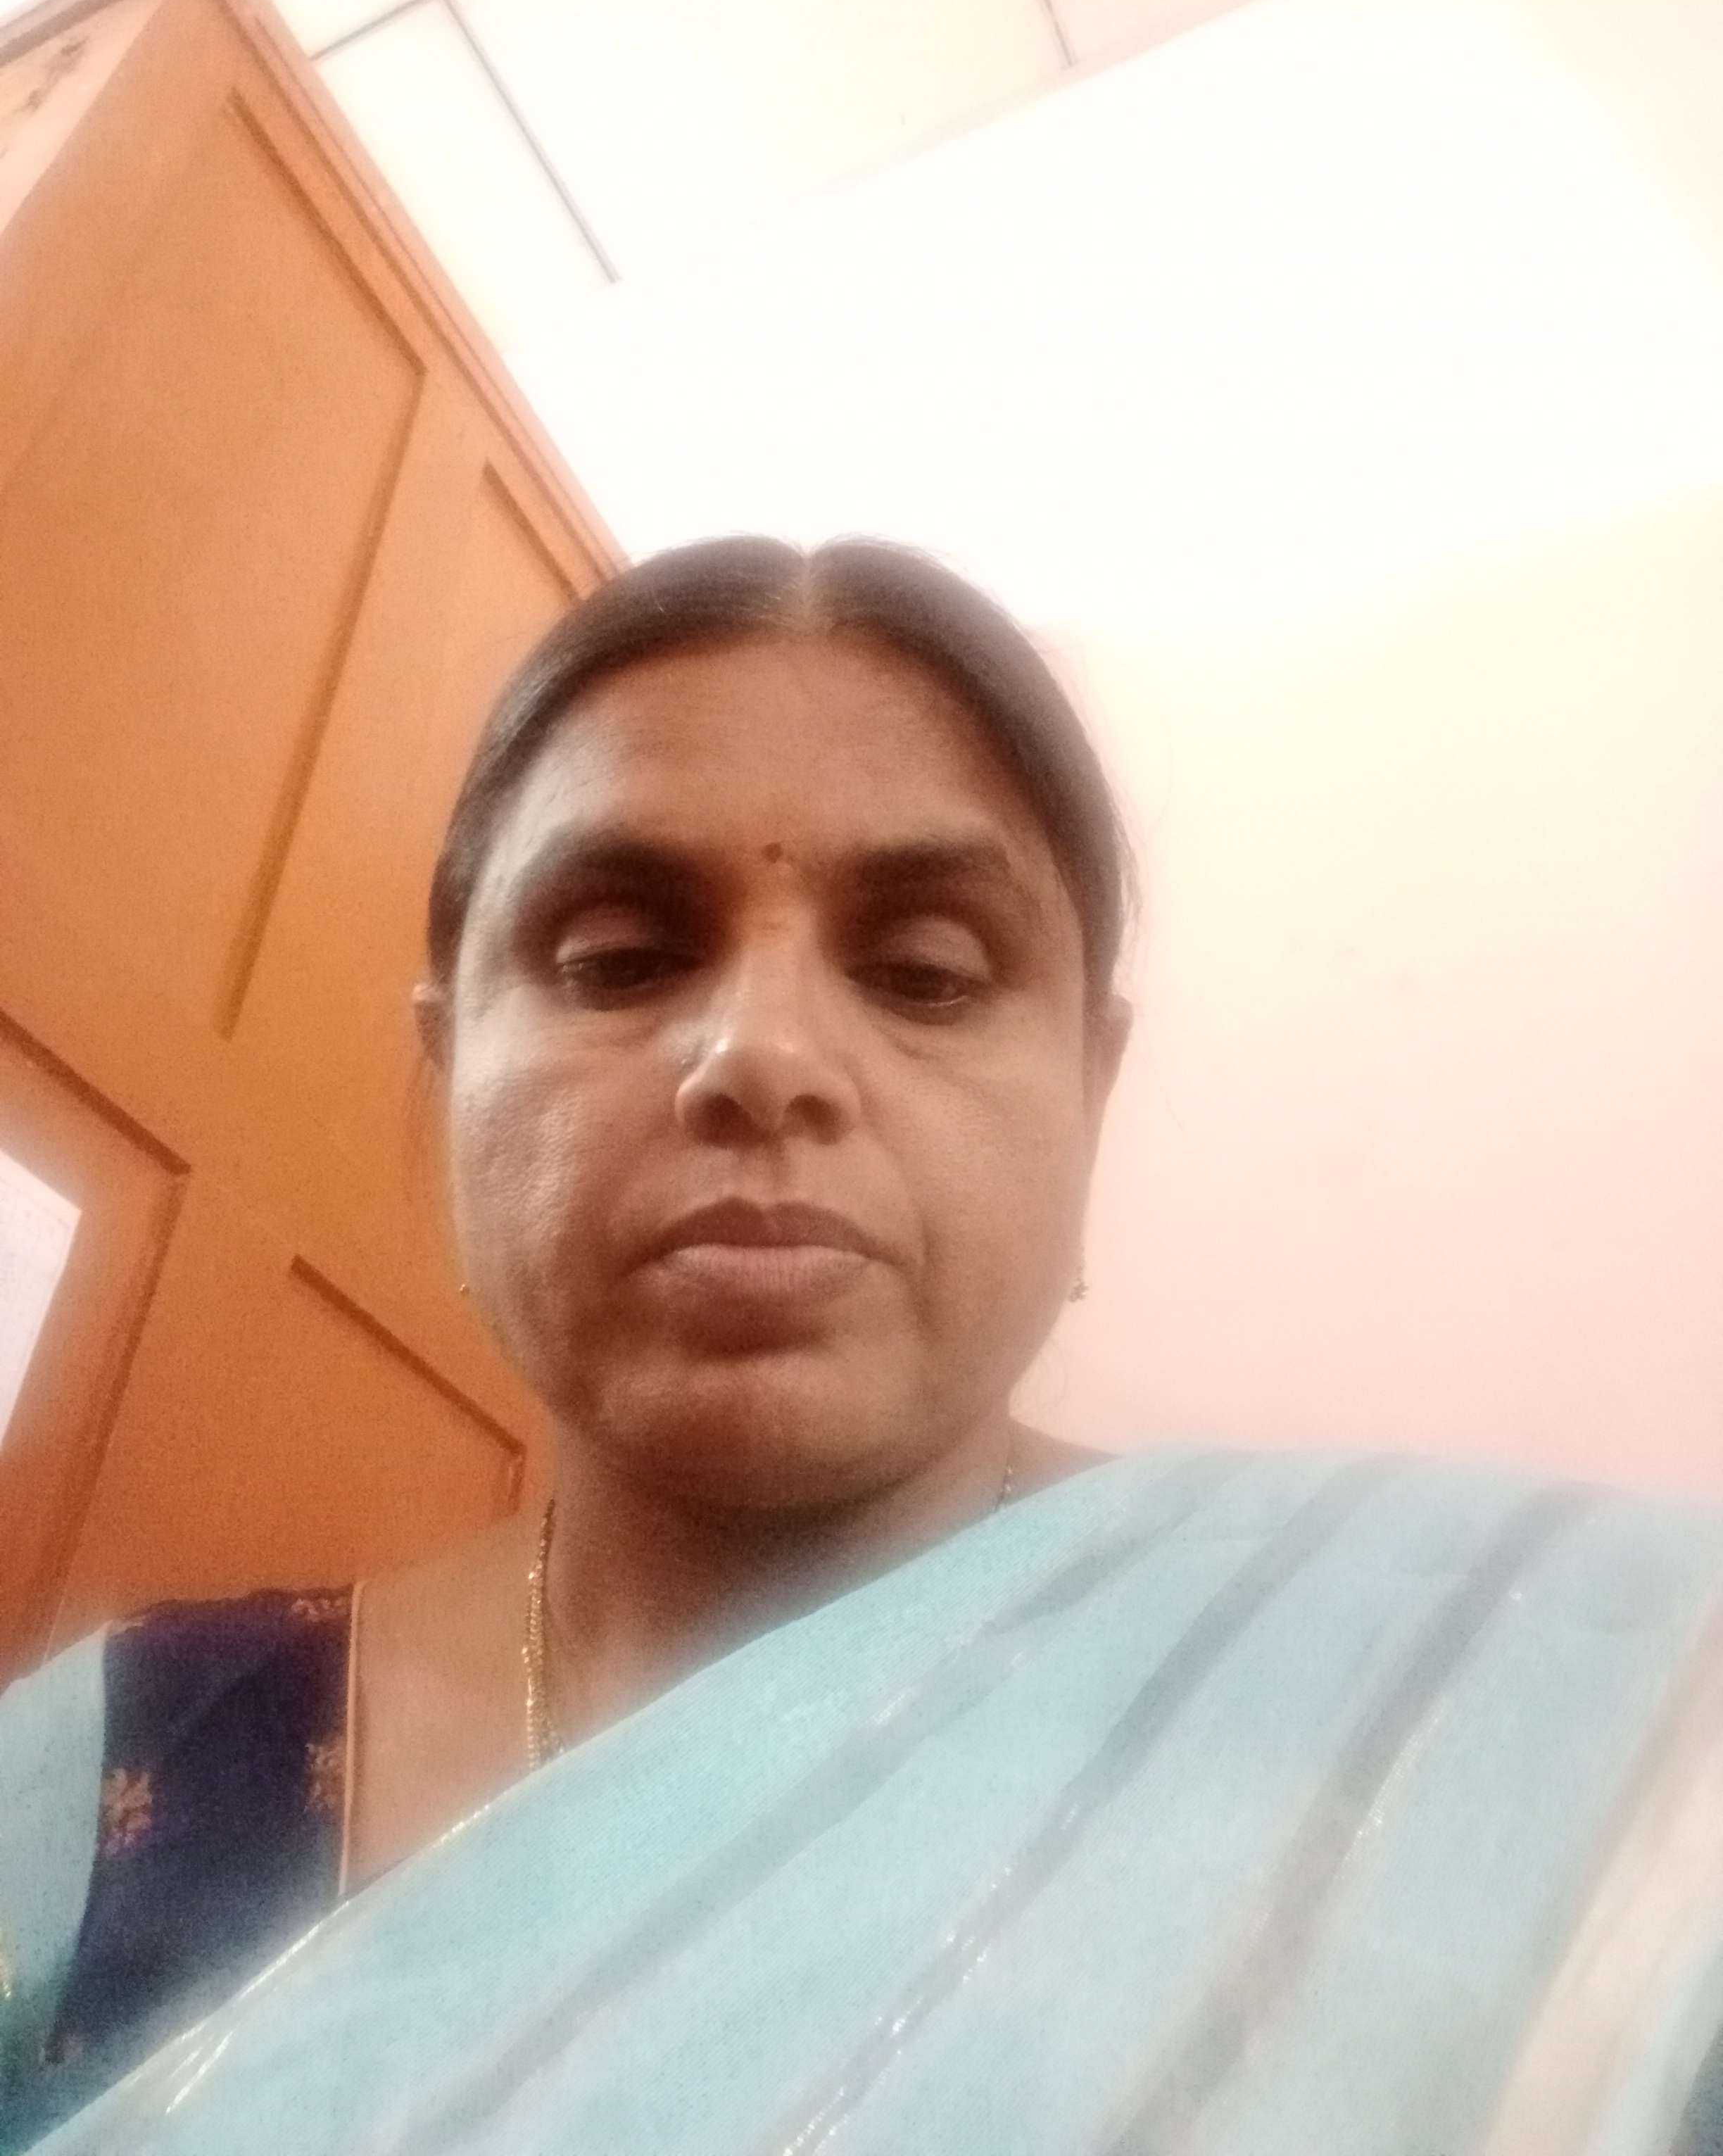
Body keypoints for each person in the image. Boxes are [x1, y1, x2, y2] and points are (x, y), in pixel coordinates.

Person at [4, 538, 1723, 2155]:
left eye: (925, 972)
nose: (761, 1055)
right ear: (452, 1071)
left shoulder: (1533, 1722)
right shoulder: (127, 1773)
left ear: (1091, 1092)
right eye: (618, 959)